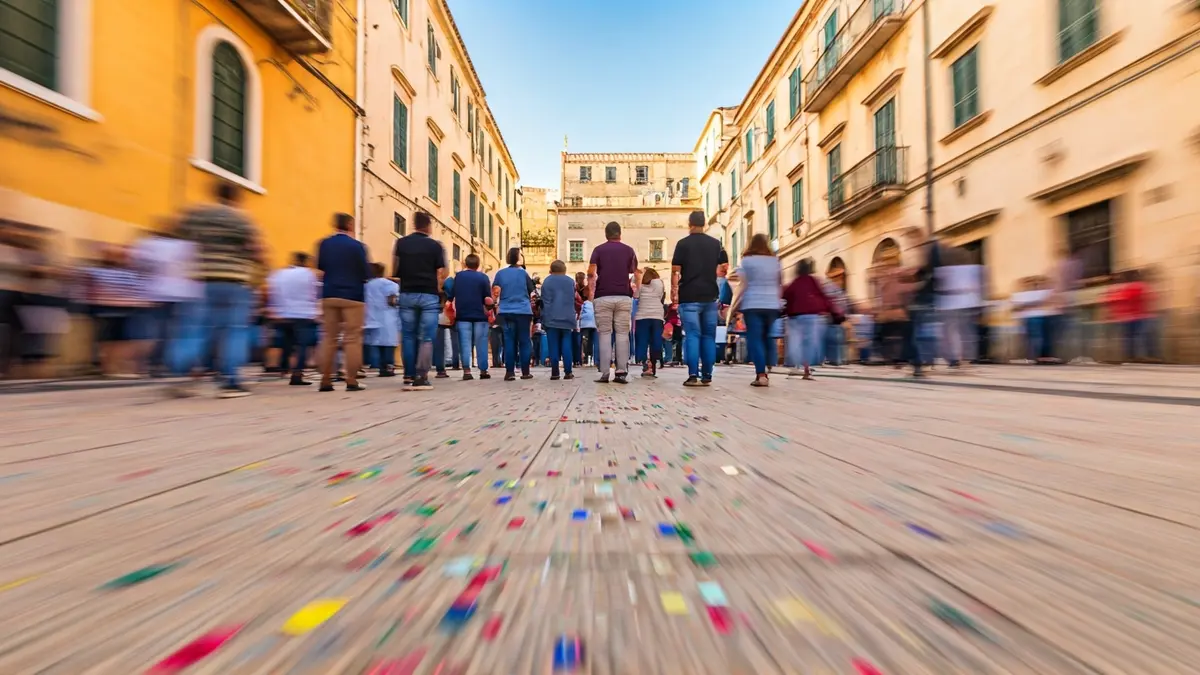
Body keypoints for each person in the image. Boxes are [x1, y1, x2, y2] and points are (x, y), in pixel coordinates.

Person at [168, 182, 266, 398]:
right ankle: (231, 381)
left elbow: (178, 233)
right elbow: (258, 251)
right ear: (236, 198)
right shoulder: (242, 220)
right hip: (235, 281)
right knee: (234, 330)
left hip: (203, 279)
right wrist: (257, 272)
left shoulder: (198, 216)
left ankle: (185, 374)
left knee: (196, 328)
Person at [129, 222, 201, 376]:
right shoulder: (185, 245)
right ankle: (177, 364)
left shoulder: (148, 245)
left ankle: (155, 364)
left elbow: (139, 267)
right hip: (183, 293)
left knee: (158, 331)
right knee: (180, 332)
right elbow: (194, 269)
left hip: (157, 292)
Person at [670, 210, 728, 387]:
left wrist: (674, 292)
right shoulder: (715, 244)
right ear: (704, 224)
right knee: (709, 336)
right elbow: (724, 267)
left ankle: (693, 374)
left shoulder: (682, 244)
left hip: (688, 295)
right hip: (710, 295)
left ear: (690, 224)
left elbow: (675, 271)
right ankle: (707, 375)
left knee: (693, 335)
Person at [392, 211, 446, 390]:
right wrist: (439, 291)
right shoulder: (435, 246)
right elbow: (442, 273)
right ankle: (421, 376)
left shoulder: (401, 243)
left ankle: (408, 374)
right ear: (429, 226)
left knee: (408, 336)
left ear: (414, 225)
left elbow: (395, 269)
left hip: (407, 293)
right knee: (426, 337)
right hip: (429, 295)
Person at [315, 212, 369, 392]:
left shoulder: (324, 244)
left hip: (329, 294)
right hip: (353, 296)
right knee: (352, 338)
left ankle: (325, 379)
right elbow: (365, 273)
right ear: (350, 225)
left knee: (329, 337)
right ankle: (351, 380)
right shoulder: (358, 247)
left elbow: (321, 266)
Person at [588, 221, 638, 384]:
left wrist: (591, 293)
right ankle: (621, 371)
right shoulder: (629, 250)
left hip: (603, 296)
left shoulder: (598, 250)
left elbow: (591, 272)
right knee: (623, 334)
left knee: (604, 334)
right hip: (623, 296)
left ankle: (604, 372)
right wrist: (635, 291)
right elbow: (634, 272)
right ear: (620, 233)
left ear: (606, 234)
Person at [728, 233, 781, 387]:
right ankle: (769, 363)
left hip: (753, 304)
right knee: (767, 337)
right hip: (772, 305)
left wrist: (735, 307)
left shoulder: (747, 262)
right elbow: (779, 282)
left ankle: (761, 374)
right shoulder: (775, 261)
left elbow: (742, 284)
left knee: (755, 338)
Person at [266, 252, 320, 385]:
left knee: (286, 342)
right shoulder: (309, 274)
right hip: (303, 313)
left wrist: (274, 309)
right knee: (302, 345)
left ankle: (284, 367)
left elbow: (273, 292)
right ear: (306, 261)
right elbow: (314, 293)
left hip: (283, 313)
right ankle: (297, 374)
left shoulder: (279, 274)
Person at [783, 258, 834, 380]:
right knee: (809, 342)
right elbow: (823, 296)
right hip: (811, 315)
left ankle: (797, 364)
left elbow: (786, 295)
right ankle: (806, 367)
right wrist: (830, 309)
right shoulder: (813, 281)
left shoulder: (794, 283)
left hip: (795, 317)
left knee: (796, 341)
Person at [935, 245, 984, 369]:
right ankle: (964, 357)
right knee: (965, 332)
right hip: (964, 304)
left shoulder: (946, 270)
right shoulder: (970, 270)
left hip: (952, 306)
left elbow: (939, 288)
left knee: (952, 333)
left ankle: (956, 358)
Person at [492, 247, 535, 381]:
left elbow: (495, 292)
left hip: (506, 311)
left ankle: (510, 372)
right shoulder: (524, 274)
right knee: (524, 341)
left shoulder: (500, 274)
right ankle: (525, 372)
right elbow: (532, 293)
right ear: (518, 258)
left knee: (509, 341)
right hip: (523, 311)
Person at [448, 253, 492, 380]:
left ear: (465, 263)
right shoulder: (483, 277)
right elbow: (487, 298)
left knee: (465, 343)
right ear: (478, 265)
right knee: (481, 342)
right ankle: (483, 371)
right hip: (480, 315)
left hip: (463, 315)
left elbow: (451, 295)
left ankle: (467, 371)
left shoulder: (458, 277)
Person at [540, 260, 577, 380]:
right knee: (567, 344)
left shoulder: (547, 281)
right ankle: (568, 371)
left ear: (551, 270)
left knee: (553, 345)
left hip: (551, 317)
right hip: (567, 317)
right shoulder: (570, 281)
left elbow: (545, 301)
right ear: (564, 269)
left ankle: (555, 372)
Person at [363, 262, 399, 377]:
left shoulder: (366, 285)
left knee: (374, 342)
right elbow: (392, 301)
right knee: (388, 343)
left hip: (371, 316)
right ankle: (388, 367)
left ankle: (376, 365)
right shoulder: (389, 284)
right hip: (387, 316)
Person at [634, 267, 666, 378]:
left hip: (642, 316)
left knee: (643, 342)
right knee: (655, 341)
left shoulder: (640, 286)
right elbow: (661, 297)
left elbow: (635, 296)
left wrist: (638, 280)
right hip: (657, 316)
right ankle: (653, 366)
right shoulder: (660, 284)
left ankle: (645, 365)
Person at [579, 297, 597, 367]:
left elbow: (580, 314)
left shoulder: (584, 303)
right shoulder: (594, 302)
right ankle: (592, 358)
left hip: (585, 325)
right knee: (591, 342)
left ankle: (586, 359)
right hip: (594, 324)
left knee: (585, 341)